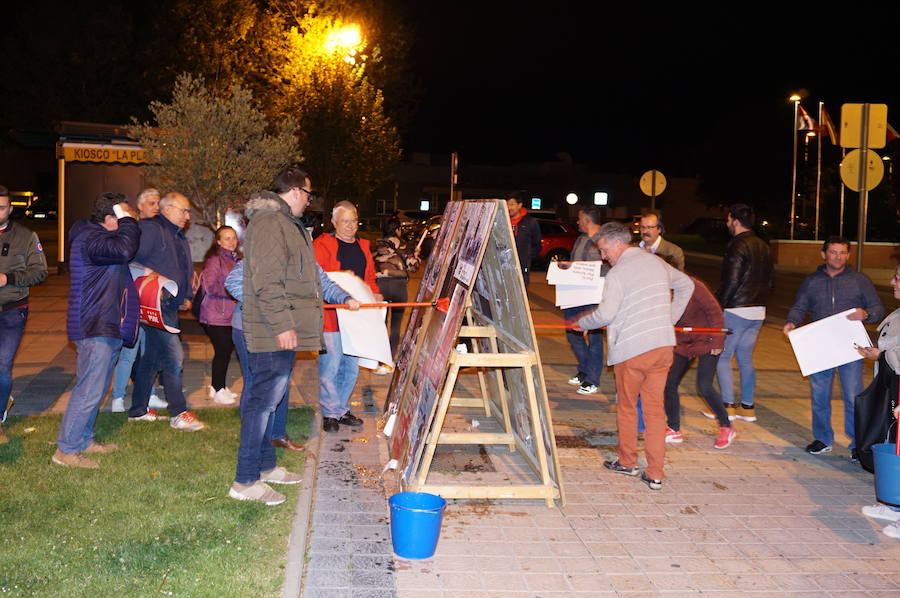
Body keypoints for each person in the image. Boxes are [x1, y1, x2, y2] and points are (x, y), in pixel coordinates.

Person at [233, 166, 360, 505]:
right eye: (308, 193)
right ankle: (244, 481)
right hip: (271, 331)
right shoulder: (269, 223)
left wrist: (343, 297)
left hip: (281, 329)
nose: (309, 199)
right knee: (260, 403)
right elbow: (266, 280)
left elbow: (310, 276)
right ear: (294, 191)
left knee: (270, 401)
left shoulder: (288, 224)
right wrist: (282, 324)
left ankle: (265, 467)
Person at [576, 221, 694, 490]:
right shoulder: (656, 263)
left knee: (627, 408)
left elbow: (605, 314)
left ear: (618, 244)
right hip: (662, 346)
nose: (603, 256)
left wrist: (581, 323)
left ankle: (627, 461)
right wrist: (669, 318)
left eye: (604, 250)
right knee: (655, 412)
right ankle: (655, 473)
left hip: (632, 349)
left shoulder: (618, 273)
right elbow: (687, 285)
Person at [53, 193, 139, 468]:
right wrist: (129, 220)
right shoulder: (92, 239)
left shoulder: (99, 238)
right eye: (124, 216)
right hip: (94, 324)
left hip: (105, 322)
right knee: (89, 389)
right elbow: (127, 248)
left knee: (97, 387)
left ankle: (83, 440)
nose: (129, 220)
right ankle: (66, 450)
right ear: (110, 219)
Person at [783, 236, 884, 457]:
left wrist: (866, 314)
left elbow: (878, 308)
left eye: (843, 253)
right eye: (833, 252)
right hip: (820, 347)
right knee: (820, 395)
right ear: (823, 254)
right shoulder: (811, 281)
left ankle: (857, 443)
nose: (838, 256)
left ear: (848, 255)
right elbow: (800, 306)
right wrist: (792, 321)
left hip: (851, 348)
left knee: (852, 396)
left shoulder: (859, 280)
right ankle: (822, 438)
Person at [127, 192, 206, 431]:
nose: (187, 216)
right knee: (174, 357)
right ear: (168, 209)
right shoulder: (151, 229)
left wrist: (185, 297)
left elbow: (181, 268)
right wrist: (152, 277)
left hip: (171, 305)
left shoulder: (176, 234)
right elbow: (130, 259)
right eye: (183, 210)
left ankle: (138, 410)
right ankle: (178, 412)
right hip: (155, 304)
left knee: (151, 360)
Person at [313, 201, 383, 432]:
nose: (351, 225)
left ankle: (341, 409)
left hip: (357, 318)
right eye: (345, 221)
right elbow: (320, 277)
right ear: (334, 222)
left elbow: (370, 278)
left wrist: (375, 294)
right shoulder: (322, 244)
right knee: (331, 366)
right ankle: (330, 412)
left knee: (351, 368)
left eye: (354, 220)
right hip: (331, 315)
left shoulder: (363, 246)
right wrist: (344, 277)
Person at [713, 203, 774, 423]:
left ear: (734, 220)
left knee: (723, 357)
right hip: (758, 311)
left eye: (729, 220)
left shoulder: (737, 245)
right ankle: (748, 407)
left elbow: (732, 280)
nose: (728, 224)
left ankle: (727, 406)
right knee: (745, 358)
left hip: (736, 310)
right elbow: (770, 281)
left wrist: (718, 305)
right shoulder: (764, 246)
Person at [108, 187, 165, 413]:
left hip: (152, 297)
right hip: (132, 299)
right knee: (128, 353)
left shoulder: (158, 229)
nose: (156, 206)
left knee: (149, 353)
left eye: (158, 202)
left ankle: (148, 394)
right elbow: (126, 259)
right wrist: (146, 270)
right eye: (151, 202)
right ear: (139, 207)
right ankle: (118, 398)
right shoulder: (132, 230)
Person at [663, 273, 735, 449]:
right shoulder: (660, 289)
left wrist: (718, 340)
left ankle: (726, 426)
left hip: (708, 340)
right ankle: (674, 428)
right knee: (669, 382)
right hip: (683, 342)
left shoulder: (694, 286)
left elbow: (715, 312)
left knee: (704, 386)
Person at [0, 185, 49, 443]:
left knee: (2, 365)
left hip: (12, 310)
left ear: (10, 209)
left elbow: (40, 272)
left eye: (2, 207)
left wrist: (8, 278)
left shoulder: (26, 236)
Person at [858, 263, 900, 538]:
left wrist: (880, 354)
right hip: (895, 381)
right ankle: (894, 506)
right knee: (896, 442)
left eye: (898, 277)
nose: (893, 281)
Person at [563, 206, 607, 395]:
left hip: (594, 297)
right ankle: (584, 369)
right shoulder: (580, 239)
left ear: (587, 220)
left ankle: (592, 379)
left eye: (580, 219)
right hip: (575, 296)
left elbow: (606, 269)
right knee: (572, 333)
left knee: (595, 339)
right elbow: (575, 265)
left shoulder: (603, 241)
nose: (578, 222)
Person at [199, 225, 241, 404]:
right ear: (218, 242)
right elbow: (209, 286)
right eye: (226, 238)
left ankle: (220, 387)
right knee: (223, 351)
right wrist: (233, 292)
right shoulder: (215, 260)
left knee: (224, 351)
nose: (231, 242)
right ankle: (217, 389)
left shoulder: (235, 260)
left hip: (228, 315)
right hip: (215, 314)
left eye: (233, 238)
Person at [373, 219, 420, 359]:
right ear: (398, 229)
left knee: (381, 322)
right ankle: (390, 356)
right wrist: (416, 257)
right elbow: (413, 268)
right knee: (396, 325)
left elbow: (371, 262)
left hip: (381, 286)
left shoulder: (378, 245)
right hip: (399, 287)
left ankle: (379, 358)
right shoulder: (405, 246)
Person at [506, 191, 541, 284]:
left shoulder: (530, 222)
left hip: (521, 267)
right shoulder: (503, 221)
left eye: (512, 204)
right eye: (507, 204)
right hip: (504, 266)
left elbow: (537, 244)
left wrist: (527, 258)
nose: (509, 208)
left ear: (519, 205)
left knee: (520, 293)